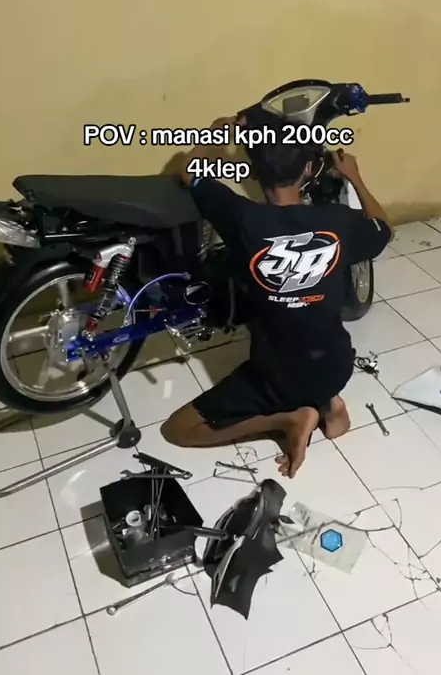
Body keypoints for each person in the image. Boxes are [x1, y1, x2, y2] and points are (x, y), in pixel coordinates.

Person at [161, 110, 393, 478]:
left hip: (277, 379)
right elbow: (382, 228)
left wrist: (214, 137)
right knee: (317, 352)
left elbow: (189, 173)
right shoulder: (338, 221)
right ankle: (327, 402)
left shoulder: (243, 218)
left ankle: (288, 418)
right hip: (336, 365)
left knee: (176, 430)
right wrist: (354, 176)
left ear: (252, 173)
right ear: (308, 170)